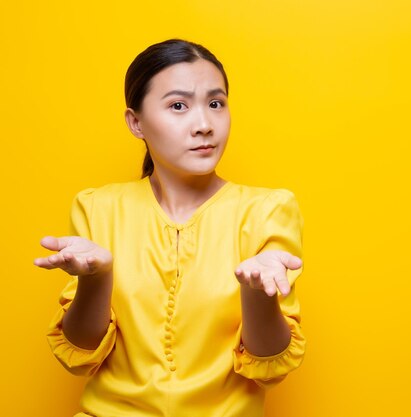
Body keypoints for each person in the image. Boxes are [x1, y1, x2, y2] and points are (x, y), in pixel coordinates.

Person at [34, 39, 305, 417]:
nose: (204, 125)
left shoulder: (267, 210)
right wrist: (97, 279)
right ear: (136, 122)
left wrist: (258, 293)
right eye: (178, 106)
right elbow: (79, 354)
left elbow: (269, 367)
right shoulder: (96, 206)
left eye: (216, 103)